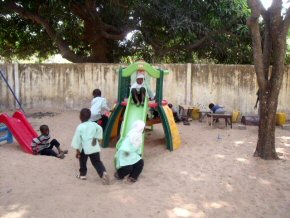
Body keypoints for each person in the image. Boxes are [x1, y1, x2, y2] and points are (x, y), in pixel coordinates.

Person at [71, 108, 110, 184]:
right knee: (97, 162)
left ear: (80, 117)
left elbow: (77, 140)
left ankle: (82, 175)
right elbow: (100, 129)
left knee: (82, 161)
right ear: (89, 117)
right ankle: (103, 173)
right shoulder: (94, 124)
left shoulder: (80, 127)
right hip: (94, 147)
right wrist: (97, 138)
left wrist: (77, 151)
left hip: (84, 148)